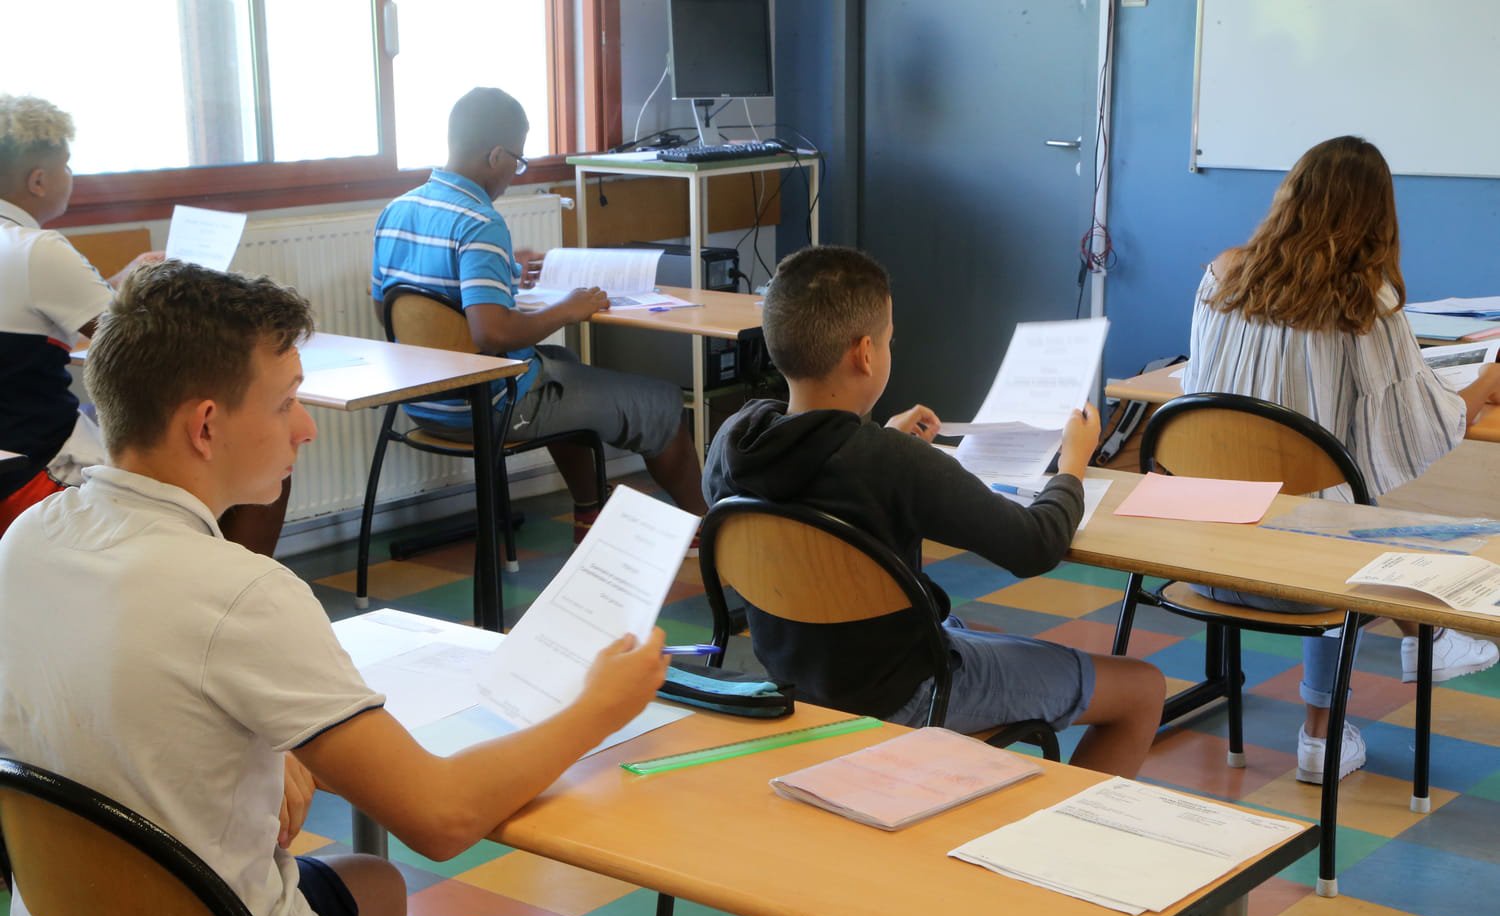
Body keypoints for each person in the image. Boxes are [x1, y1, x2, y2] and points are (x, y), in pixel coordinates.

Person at [0, 260, 668, 916]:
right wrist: (599, 707)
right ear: (206, 425)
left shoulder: (28, 537)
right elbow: (442, 818)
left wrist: (275, 743)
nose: (307, 427)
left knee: (371, 883)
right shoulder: (239, 592)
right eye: (286, 402)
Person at [702, 245, 1165, 777]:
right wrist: (1074, 465)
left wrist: (876, 436)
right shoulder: (890, 462)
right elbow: (1035, 545)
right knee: (1142, 688)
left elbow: (816, 484)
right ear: (865, 354)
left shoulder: (733, 441)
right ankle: (1065, 827)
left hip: (793, 682)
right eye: (889, 339)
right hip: (905, 694)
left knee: (957, 624)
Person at [1183, 135, 1500, 784]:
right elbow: (1421, 425)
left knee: (1333, 505)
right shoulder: (1364, 303)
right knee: (1348, 512)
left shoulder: (1221, 277)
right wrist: (1483, 385)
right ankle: (1326, 730)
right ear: (1377, 213)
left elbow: (1197, 390)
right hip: (1305, 576)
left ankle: (1427, 643)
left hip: (1200, 554)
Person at [371, 86, 708, 542]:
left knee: (563, 365)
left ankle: (591, 515)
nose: (515, 173)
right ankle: (708, 534)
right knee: (662, 403)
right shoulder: (479, 222)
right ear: (495, 155)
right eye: (517, 160)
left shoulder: (397, 211)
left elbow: (391, 310)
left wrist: (502, 271)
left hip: (422, 403)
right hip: (490, 407)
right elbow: (491, 334)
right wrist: (567, 309)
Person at [0, 93, 289, 554]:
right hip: (35, 466)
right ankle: (225, 586)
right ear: (38, 180)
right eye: (67, 166)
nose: (70, 176)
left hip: (10, 450)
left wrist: (118, 282)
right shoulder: (37, 249)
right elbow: (136, 343)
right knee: (259, 453)